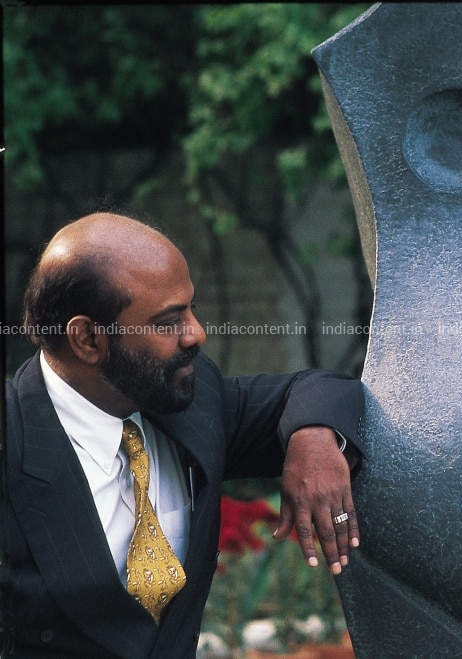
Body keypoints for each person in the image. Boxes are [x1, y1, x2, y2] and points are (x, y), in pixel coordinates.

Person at [2, 212, 365, 658]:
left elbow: (315, 389)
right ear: (88, 340)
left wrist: (316, 441)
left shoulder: (190, 399)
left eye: (191, 308)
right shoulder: (15, 445)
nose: (196, 334)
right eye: (168, 321)